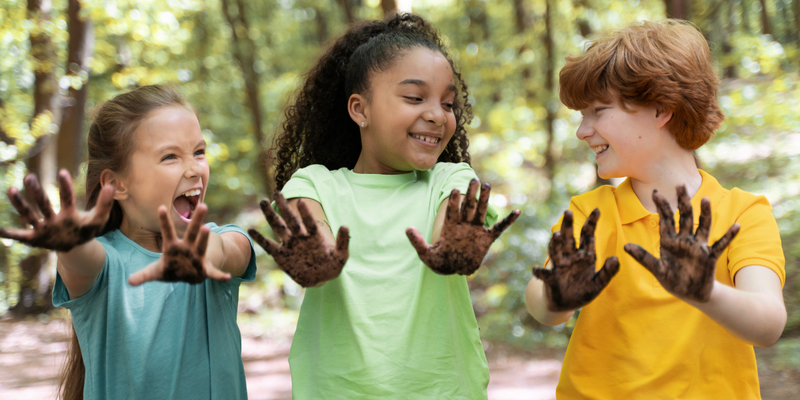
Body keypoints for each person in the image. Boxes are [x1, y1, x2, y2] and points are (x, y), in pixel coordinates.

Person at [247, 13, 519, 399]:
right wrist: (317, 260)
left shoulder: (451, 178)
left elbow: (453, 220)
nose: (437, 114)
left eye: (447, 103)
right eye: (414, 97)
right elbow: (313, 230)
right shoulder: (316, 184)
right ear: (360, 110)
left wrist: (453, 247)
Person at [524, 20, 786, 399]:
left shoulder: (743, 213)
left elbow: (768, 324)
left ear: (661, 109)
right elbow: (543, 308)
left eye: (598, 110)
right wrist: (558, 295)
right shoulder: (591, 213)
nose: (583, 130)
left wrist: (705, 292)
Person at [0, 85, 257, 400]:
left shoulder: (219, 238)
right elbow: (83, 261)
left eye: (199, 152)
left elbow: (235, 252)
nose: (194, 169)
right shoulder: (108, 262)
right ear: (115, 185)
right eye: (170, 156)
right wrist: (69, 244)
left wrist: (211, 252)